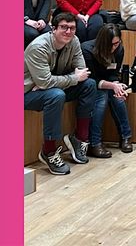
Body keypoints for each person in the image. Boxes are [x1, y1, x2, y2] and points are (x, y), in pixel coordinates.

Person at [24, 12, 97, 176]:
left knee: (89, 85)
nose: (68, 32)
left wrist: (52, 82)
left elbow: (82, 72)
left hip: (49, 88)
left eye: (72, 28)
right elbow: (47, 82)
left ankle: (79, 139)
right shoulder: (38, 47)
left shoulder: (74, 41)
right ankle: (48, 152)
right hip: (26, 93)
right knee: (55, 95)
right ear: (53, 29)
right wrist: (70, 78)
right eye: (64, 27)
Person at [81, 24, 134, 157]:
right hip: (90, 84)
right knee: (102, 98)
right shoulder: (87, 49)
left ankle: (126, 137)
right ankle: (95, 143)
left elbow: (114, 73)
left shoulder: (119, 49)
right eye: (110, 44)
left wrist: (117, 85)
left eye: (116, 43)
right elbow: (91, 78)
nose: (113, 48)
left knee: (118, 97)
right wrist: (112, 85)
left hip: (108, 83)